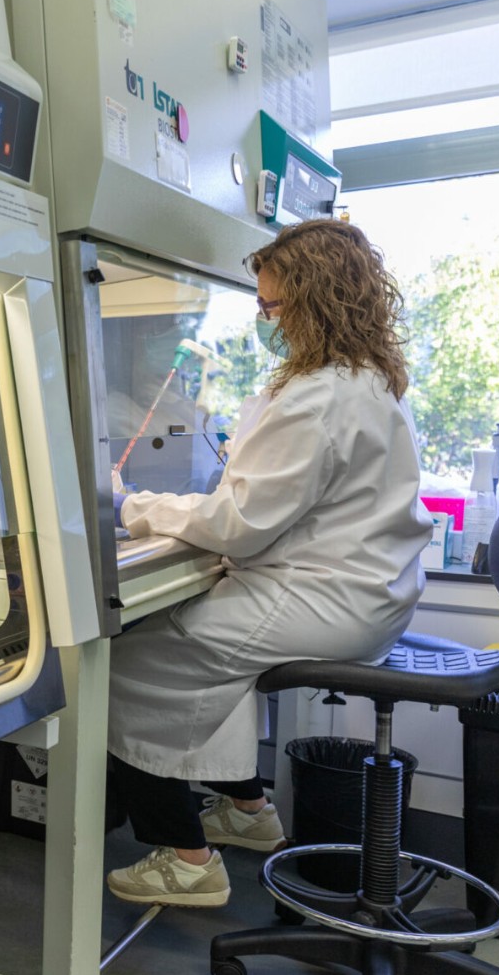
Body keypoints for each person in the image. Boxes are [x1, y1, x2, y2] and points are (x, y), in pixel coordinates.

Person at [104, 218, 432, 907]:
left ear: (315, 301)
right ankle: (249, 811)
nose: (264, 318)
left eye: (272, 306)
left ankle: (187, 858)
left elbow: (237, 525)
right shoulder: (368, 382)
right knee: (206, 651)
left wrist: (132, 505)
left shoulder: (319, 398)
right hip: (365, 597)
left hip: (325, 603)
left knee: (121, 663)